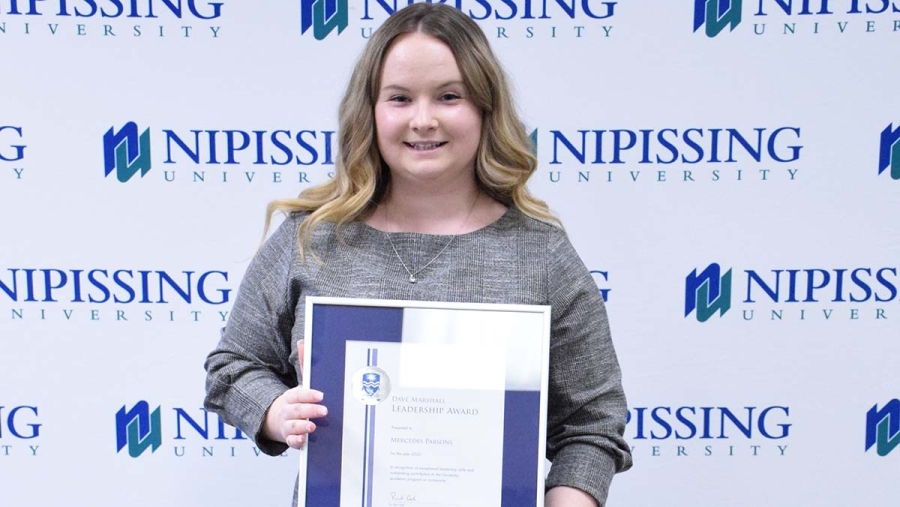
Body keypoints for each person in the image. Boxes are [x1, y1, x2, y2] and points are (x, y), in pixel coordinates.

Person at [204, 3, 632, 506]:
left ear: (485, 108)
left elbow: (592, 423)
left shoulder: (541, 254)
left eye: (449, 96)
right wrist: (277, 410)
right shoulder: (311, 238)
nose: (423, 120)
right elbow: (232, 367)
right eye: (400, 98)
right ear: (370, 112)